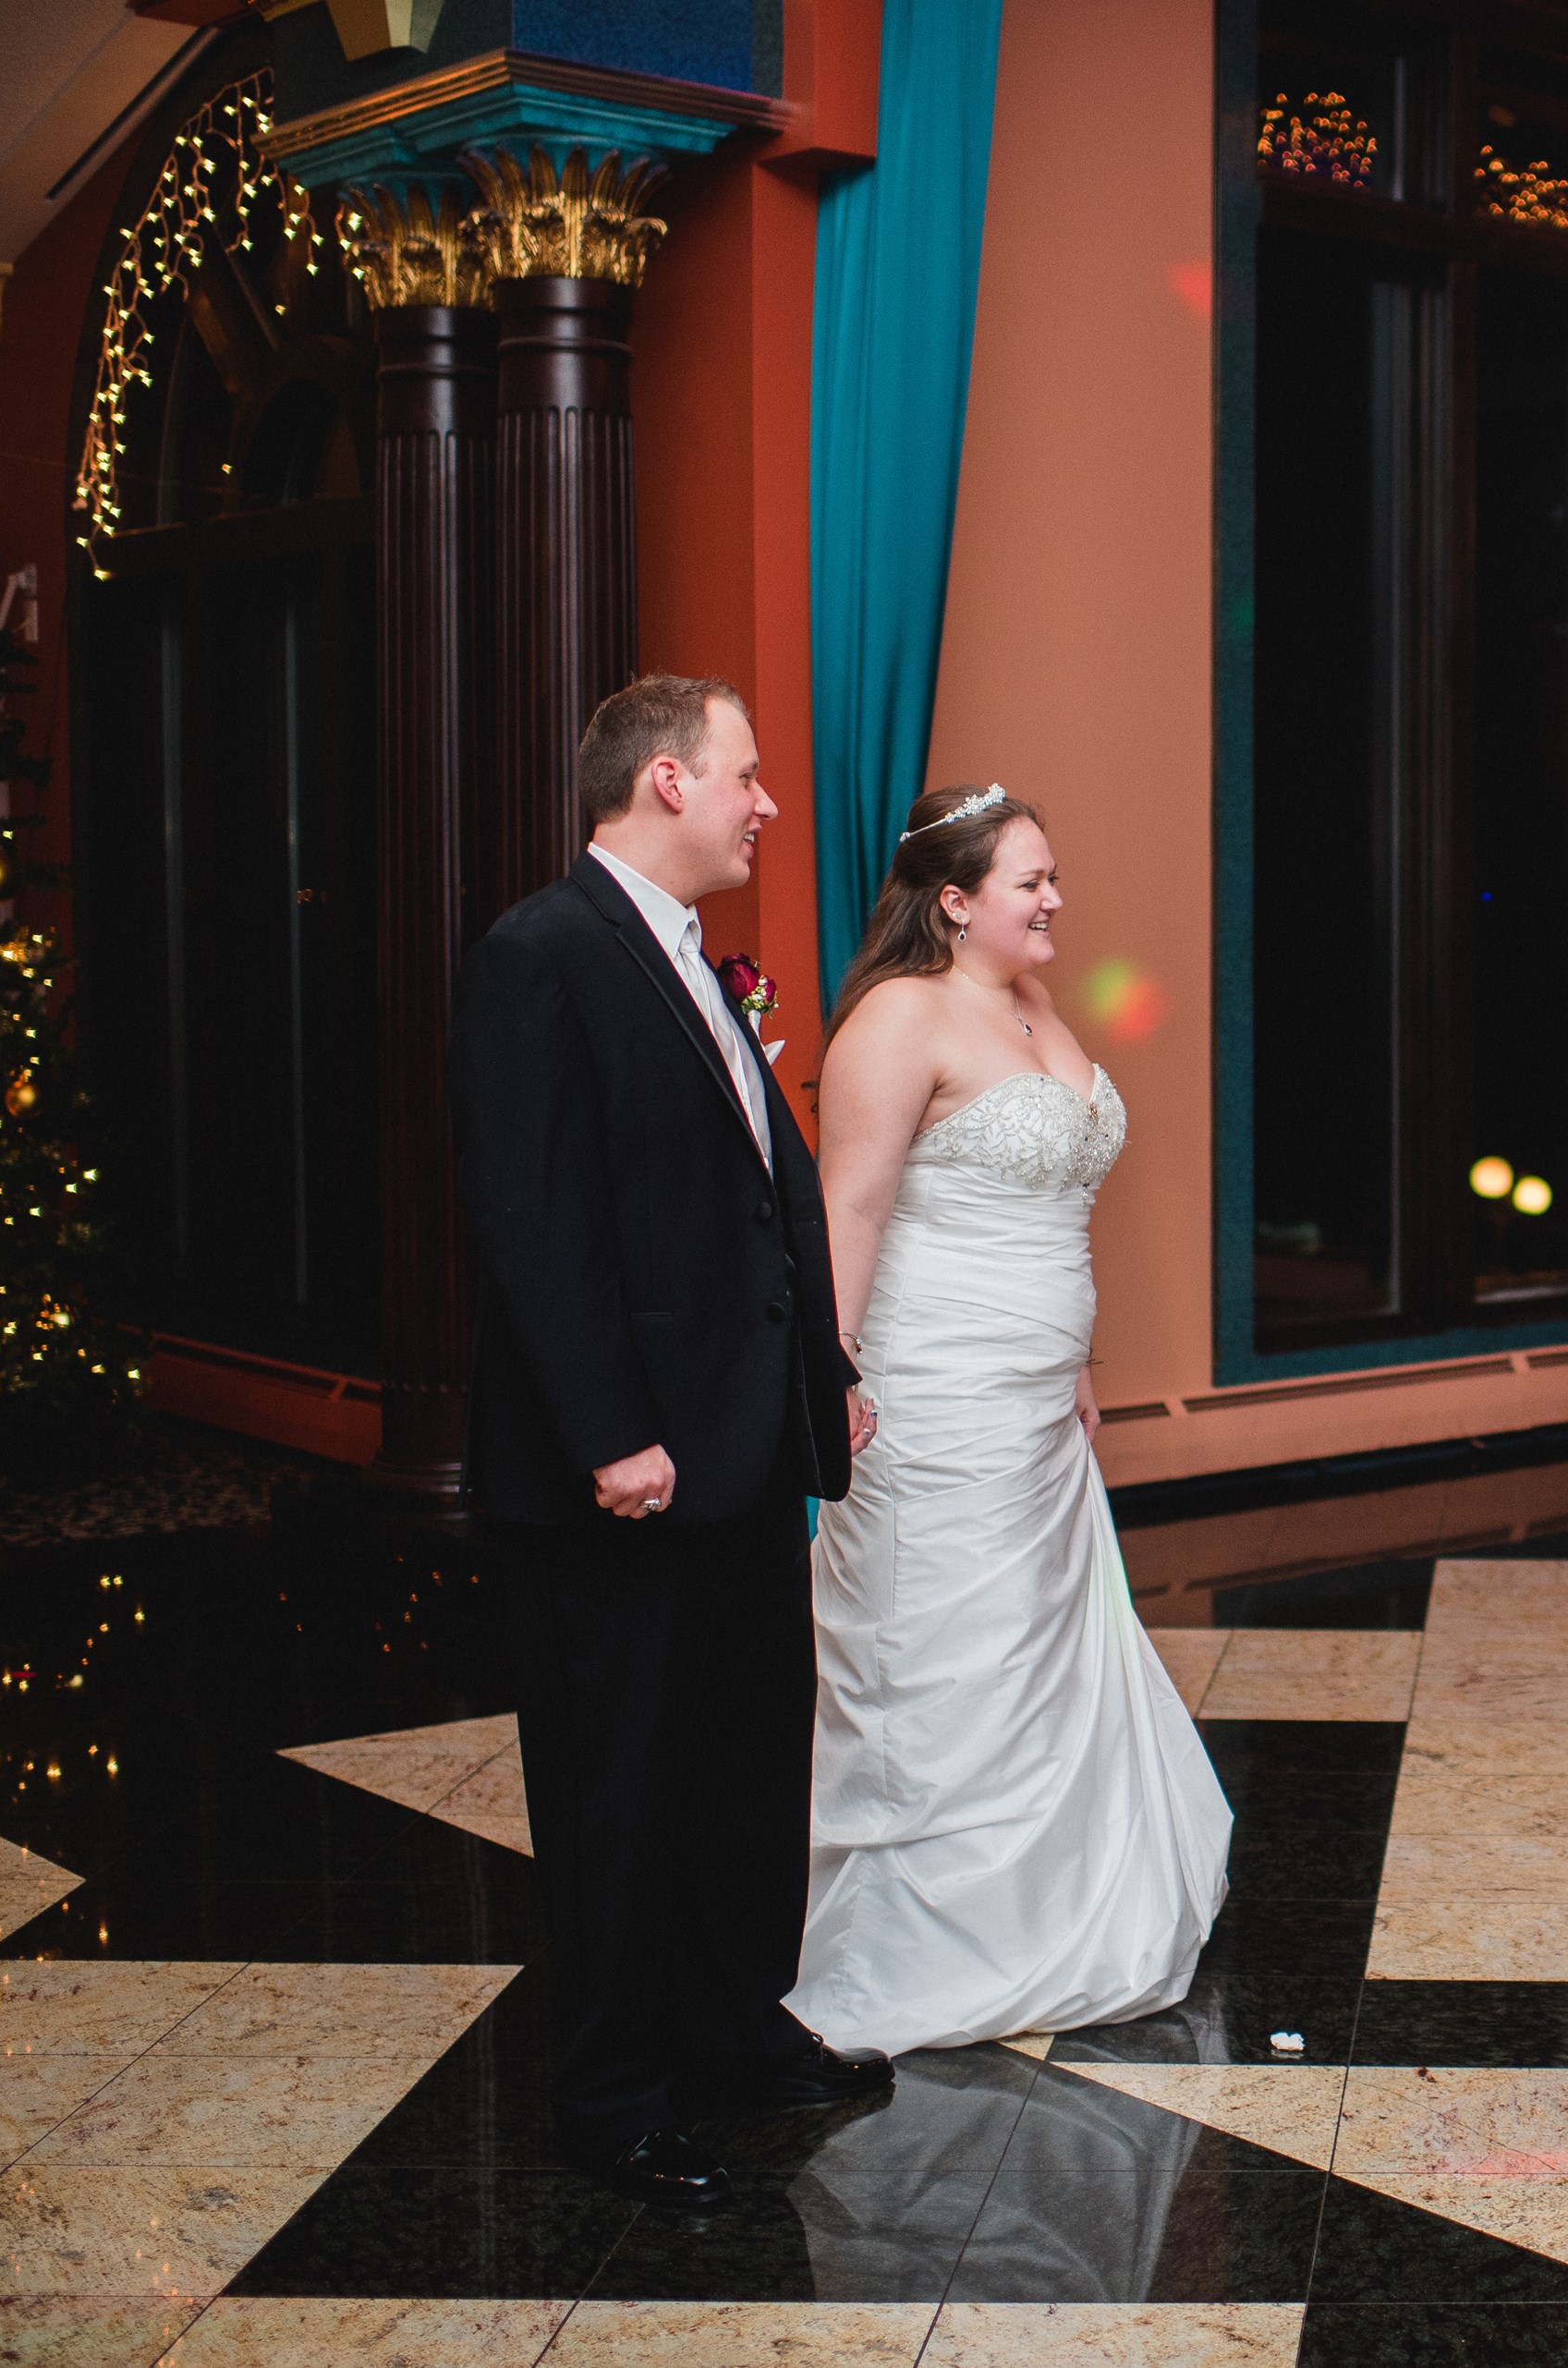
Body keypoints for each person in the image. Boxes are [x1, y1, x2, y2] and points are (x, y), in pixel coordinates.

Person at [449, 674, 893, 2206]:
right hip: (628, 1473)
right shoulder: (540, 954)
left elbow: (762, 1196)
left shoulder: (697, 959)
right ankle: (614, 2093)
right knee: (620, 1790)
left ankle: (733, 2028)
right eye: (745, 773)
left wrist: (822, 1371)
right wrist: (611, 1432)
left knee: (744, 1767)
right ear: (663, 782)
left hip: (746, 1451)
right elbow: (534, 1216)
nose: (767, 801)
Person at [785, 783, 1230, 2053]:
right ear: (953, 900)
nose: (1054, 900)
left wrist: (1075, 1354)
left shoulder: (1033, 1001)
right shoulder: (897, 1017)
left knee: (1038, 1642)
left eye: (1051, 877)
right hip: (932, 1390)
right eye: (1031, 881)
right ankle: (927, 1937)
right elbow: (851, 1206)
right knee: (948, 1648)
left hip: (1037, 1404)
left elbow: (1054, 1205)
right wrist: (836, 1367)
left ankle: (1054, 1912)